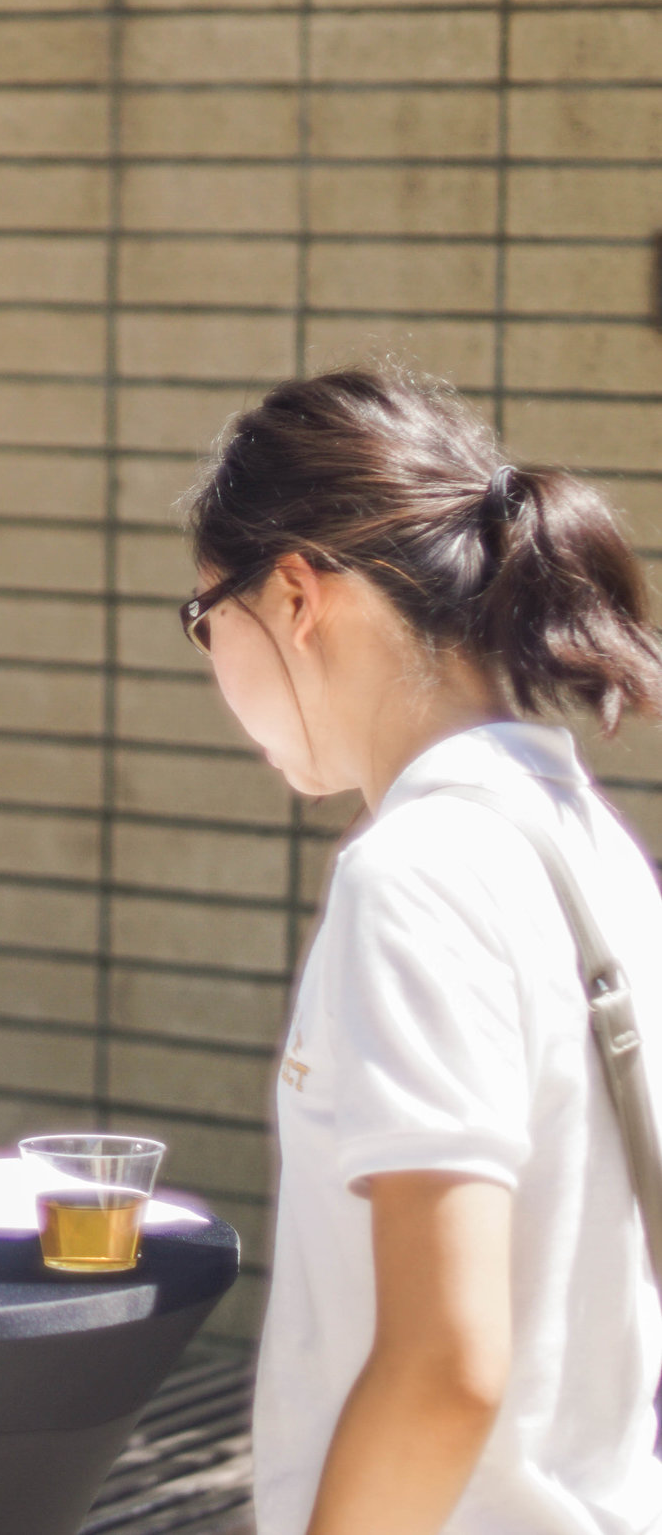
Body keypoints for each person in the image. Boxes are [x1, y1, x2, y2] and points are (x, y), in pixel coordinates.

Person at [185, 366, 662, 1535]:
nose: (214, 668)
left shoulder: (414, 872)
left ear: (295, 593)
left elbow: (449, 1361)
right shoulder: (584, 841)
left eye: (206, 620)